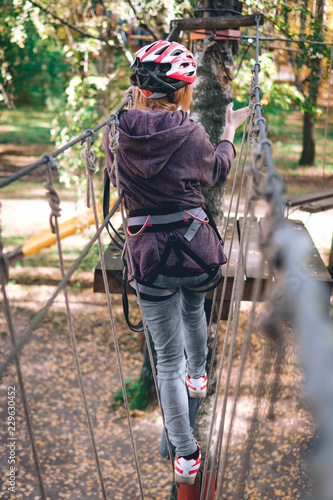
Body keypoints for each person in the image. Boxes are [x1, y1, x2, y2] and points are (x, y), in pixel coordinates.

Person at [103, 39, 250, 485]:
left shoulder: (116, 134)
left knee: (166, 361)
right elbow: (217, 172)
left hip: (149, 258)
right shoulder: (191, 133)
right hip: (196, 251)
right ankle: (200, 375)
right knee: (193, 311)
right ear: (182, 91)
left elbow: (114, 176)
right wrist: (228, 132)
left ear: (141, 87)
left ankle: (185, 455)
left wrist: (130, 112)